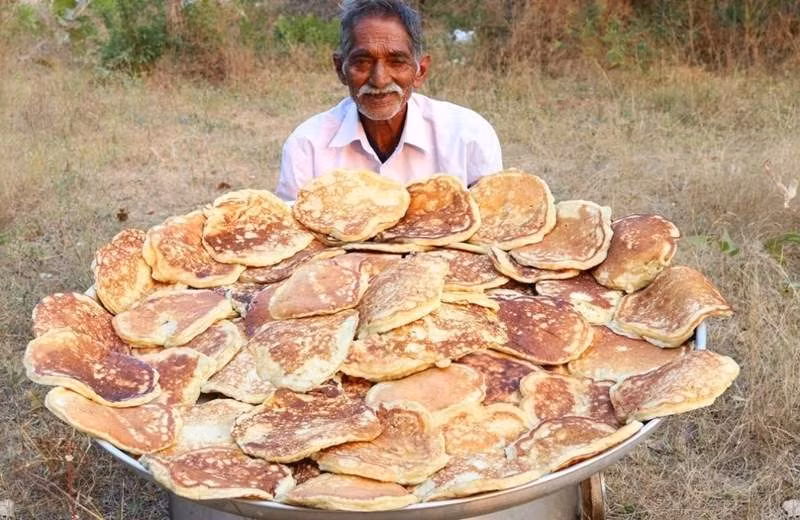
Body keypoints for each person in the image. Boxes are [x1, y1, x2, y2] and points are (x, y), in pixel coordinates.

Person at [276, 0, 503, 200]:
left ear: (420, 71)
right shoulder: (307, 146)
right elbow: (295, 236)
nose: (379, 79)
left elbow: (492, 227)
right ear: (340, 69)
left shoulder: (468, 137)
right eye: (362, 62)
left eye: (397, 62)